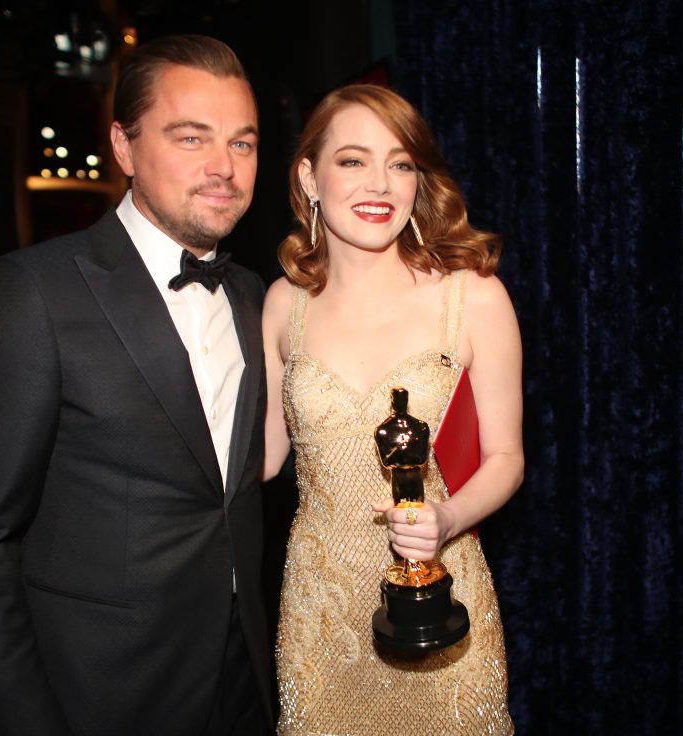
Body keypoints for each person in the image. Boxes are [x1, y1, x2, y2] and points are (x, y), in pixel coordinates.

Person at [0, 35, 272, 736]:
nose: (223, 168)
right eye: (190, 137)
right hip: (104, 696)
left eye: (242, 144)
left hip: (244, 683)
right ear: (123, 147)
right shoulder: (32, 293)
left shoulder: (252, 296)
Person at [262, 85, 523, 735]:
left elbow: (507, 458)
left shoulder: (474, 297)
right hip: (320, 618)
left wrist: (447, 517)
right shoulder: (281, 305)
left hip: (442, 607)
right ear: (308, 177)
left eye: (401, 163)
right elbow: (258, 460)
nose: (380, 182)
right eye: (352, 160)